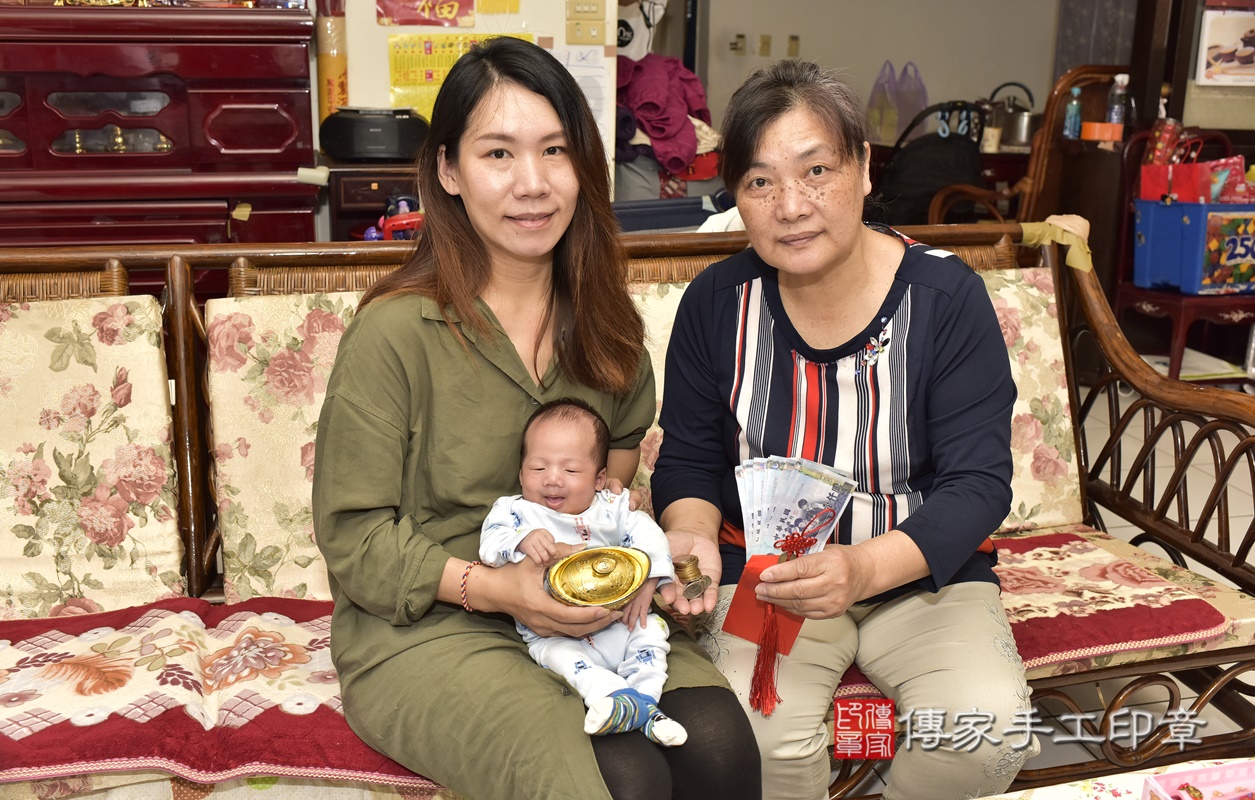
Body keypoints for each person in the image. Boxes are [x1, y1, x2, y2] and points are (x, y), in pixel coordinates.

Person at [312, 36, 758, 800]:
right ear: (448, 170)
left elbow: (610, 489)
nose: (532, 183)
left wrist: (644, 566)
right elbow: (353, 538)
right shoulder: (394, 333)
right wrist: (497, 588)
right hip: (429, 621)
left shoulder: (607, 327)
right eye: (498, 153)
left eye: (554, 150)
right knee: (618, 777)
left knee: (721, 749)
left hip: (584, 610)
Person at [650, 59, 1035, 800]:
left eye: (816, 170)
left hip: (921, 575)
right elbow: (691, 460)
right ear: (736, 196)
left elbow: (977, 484)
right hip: (770, 574)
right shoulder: (717, 304)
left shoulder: (944, 297)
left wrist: (860, 569)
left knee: (985, 735)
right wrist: (690, 536)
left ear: (862, 167)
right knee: (750, 739)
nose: (791, 206)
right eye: (760, 182)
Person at [480, 398, 686, 747]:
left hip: (618, 617)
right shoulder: (515, 513)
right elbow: (489, 547)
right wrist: (520, 540)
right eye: (538, 468)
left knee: (651, 634)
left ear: (599, 478)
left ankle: (646, 700)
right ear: (521, 474)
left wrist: (650, 577)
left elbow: (648, 534)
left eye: (571, 471)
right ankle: (612, 698)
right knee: (563, 660)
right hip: (552, 629)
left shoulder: (612, 507)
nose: (552, 479)